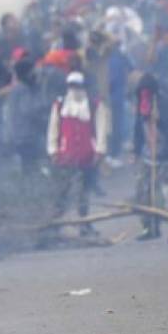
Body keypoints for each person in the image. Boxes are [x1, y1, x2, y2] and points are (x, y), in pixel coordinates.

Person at [46, 71, 108, 236]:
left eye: (77, 86)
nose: (74, 89)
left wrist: (100, 151)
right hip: (66, 155)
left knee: (84, 191)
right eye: (71, 86)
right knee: (62, 190)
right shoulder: (60, 105)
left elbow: (101, 128)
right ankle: (54, 224)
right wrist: (53, 150)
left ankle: (83, 223)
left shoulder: (94, 104)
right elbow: (53, 128)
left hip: (87, 155)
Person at [133, 73, 168, 242]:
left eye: (147, 91)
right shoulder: (141, 105)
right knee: (144, 193)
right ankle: (149, 226)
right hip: (148, 156)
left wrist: (159, 122)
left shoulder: (165, 105)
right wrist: (136, 151)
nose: (144, 94)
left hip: (167, 158)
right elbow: (137, 131)